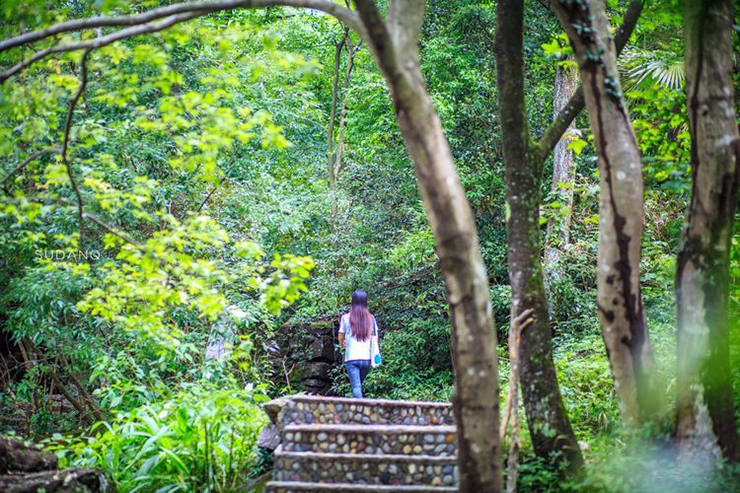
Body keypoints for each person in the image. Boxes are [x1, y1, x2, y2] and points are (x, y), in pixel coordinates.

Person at [337, 290, 379, 398]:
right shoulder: (371, 318)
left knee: (356, 387)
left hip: (352, 358)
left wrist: (343, 343)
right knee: (358, 386)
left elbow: (340, 335)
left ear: (353, 301)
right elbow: (375, 338)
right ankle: (358, 409)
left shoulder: (346, 318)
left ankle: (361, 410)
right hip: (367, 359)